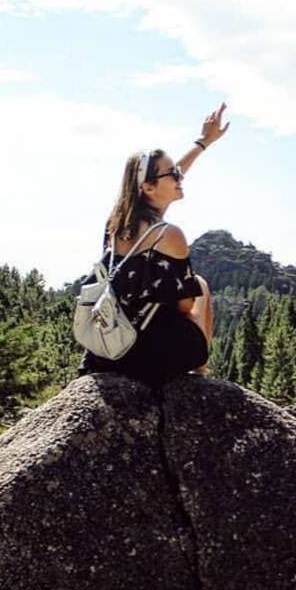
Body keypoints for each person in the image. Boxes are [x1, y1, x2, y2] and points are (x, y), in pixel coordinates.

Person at [77, 103, 230, 388]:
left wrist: (202, 143)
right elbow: (185, 306)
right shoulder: (169, 235)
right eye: (173, 174)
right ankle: (199, 371)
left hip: (109, 349)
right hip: (148, 355)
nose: (179, 177)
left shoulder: (115, 224)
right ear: (148, 187)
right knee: (200, 286)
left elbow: (160, 177)